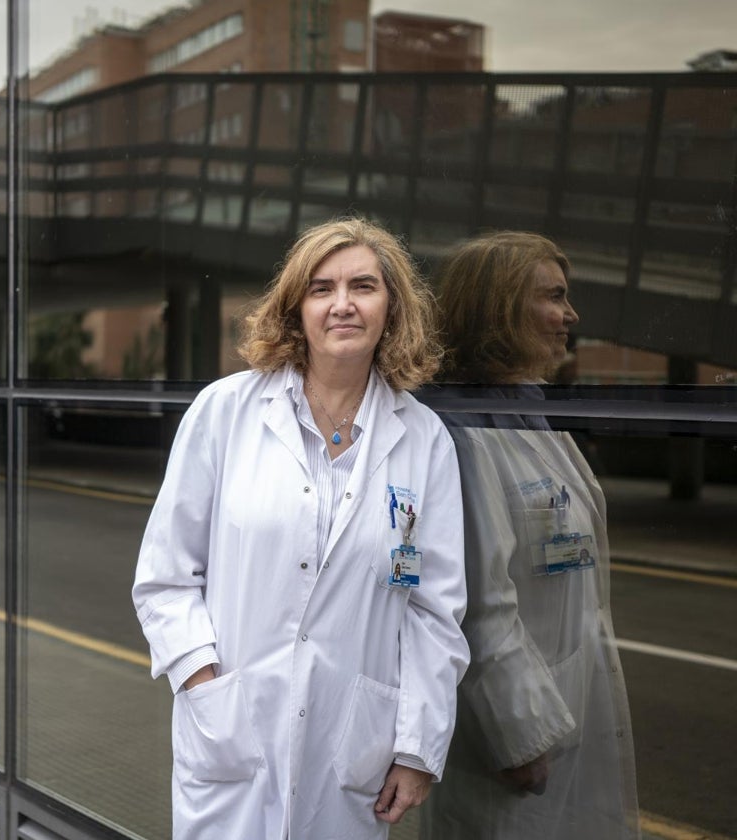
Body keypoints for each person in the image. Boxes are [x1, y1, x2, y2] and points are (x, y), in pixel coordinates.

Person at [132, 218, 469, 839]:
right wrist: (207, 689)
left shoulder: (424, 441)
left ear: (391, 308)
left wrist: (416, 748)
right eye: (321, 288)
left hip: (352, 746)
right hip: (233, 733)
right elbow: (165, 577)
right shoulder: (225, 413)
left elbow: (433, 612)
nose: (342, 304)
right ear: (297, 309)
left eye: (363, 286)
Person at [419, 232, 639, 839]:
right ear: (501, 307)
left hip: (566, 702)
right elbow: (473, 601)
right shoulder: (461, 432)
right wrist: (518, 734)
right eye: (555, 297)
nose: (571, 315)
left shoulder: (533, 415)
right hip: (517, 745)